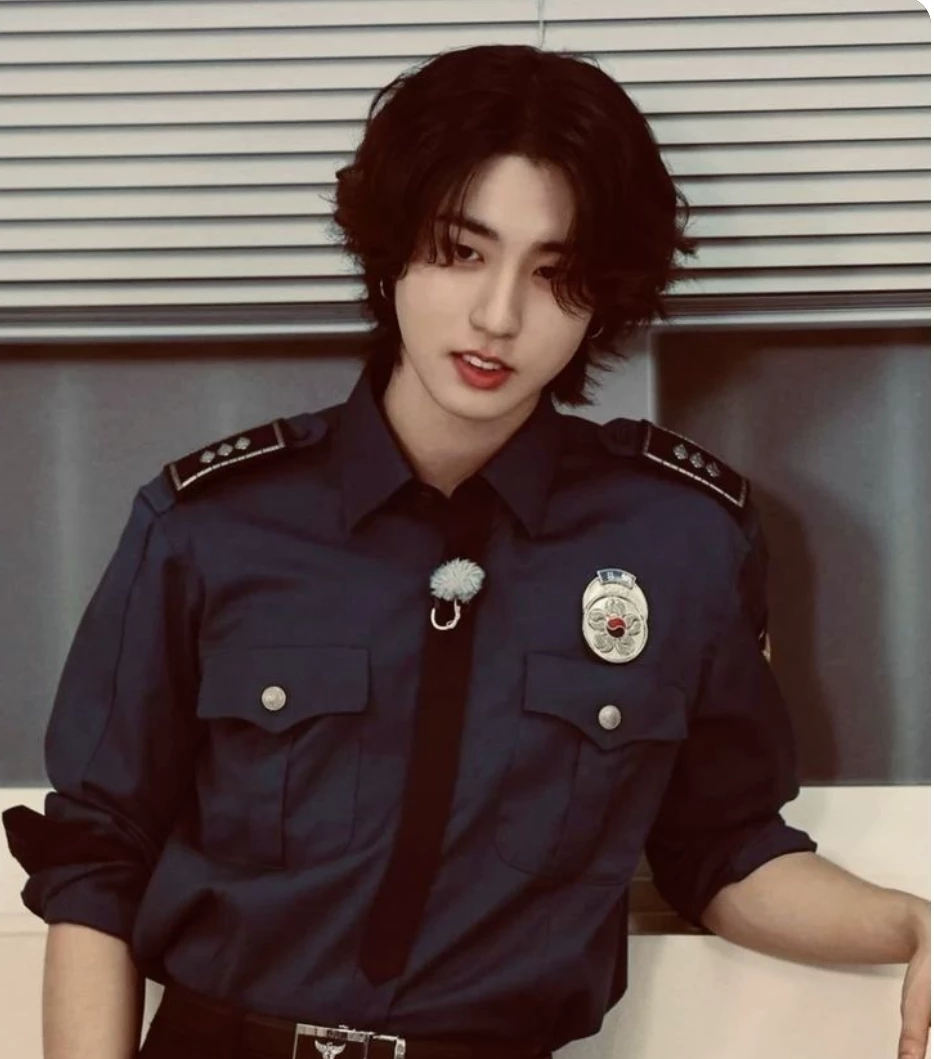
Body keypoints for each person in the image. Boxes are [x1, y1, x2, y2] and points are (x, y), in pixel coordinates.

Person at [3, 42, 930, 1059]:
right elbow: (98, 859)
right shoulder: (212, 523)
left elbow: (723, 848)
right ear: (391, 244)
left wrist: (913, 924)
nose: (499, 316)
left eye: (557, 274)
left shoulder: (683, 541)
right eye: (460, 250)